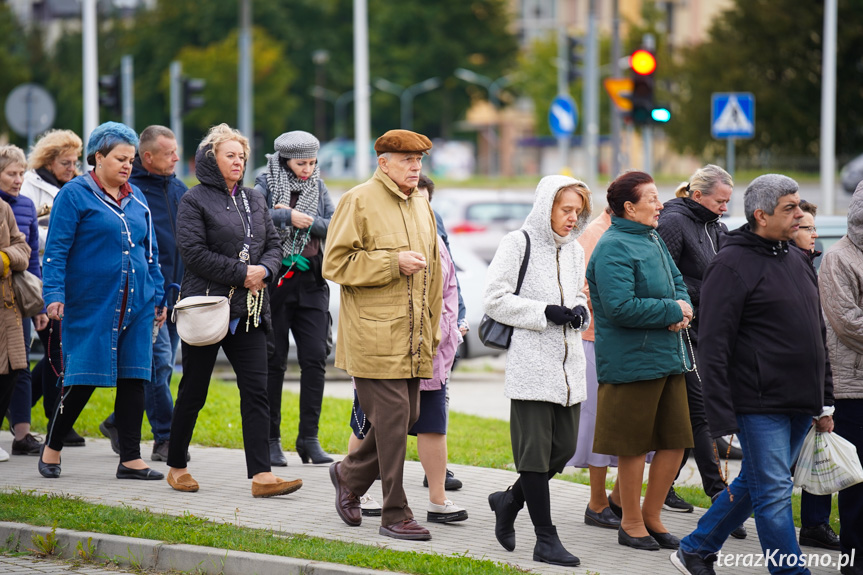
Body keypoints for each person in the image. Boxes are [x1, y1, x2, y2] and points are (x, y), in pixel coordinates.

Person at [673, 174, 834, 575]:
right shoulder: (730, 264)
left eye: (799, 205)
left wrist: (825, 396)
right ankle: (790, 571)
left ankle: (696, 548)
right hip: (757, 401)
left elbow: (816, 332)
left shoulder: (795, 258)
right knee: (775, 491)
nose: (800, 214)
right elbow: (713, 342)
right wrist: (721, 417)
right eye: (790, 208)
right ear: (761, 215)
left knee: (759, 482)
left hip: (801, 397)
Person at [165, 123, 301, 499]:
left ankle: (262, 475)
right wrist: (243, 273)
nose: (238, 161)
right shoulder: (193, 200)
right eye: (230, 155)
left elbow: (274, 244)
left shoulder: (255, 199)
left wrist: (267, 270)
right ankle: (176, 466)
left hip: (250, 312)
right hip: (208, 307)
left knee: (256, 391)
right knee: (193, 392)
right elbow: (193, 254)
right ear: (212, 158)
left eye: (242, 155)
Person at [323, 129, 441, 542]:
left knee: (406, 417)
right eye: (406, 160)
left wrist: (435, 328)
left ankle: (348, 475)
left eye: (419, 161)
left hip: (412, 337)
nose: (415, 167)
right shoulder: (359, 200)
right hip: (373, 338)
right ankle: (395, 512)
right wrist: (392, 263)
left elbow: (435, 276)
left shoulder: (421, 204)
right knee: (392, 421)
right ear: (383, 162)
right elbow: (335, 264)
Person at [38, 122, 165, 481]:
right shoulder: (75, 195)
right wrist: (53, 295)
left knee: (134, 377)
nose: (128, 165)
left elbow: (150, 252)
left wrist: (156, 295)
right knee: (83, 377)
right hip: (93, 302)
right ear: (98, 157)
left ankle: (130, 459)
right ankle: (52, 447)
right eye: (120, 158)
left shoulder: (137, 197)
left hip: (137, 303)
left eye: (131, 159)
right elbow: (56, 251)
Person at [345, 174, 467, 523]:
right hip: (384, 348)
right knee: (374, 423)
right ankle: (373, 498)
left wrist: (446, 330)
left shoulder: (437, 241)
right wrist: (392, 264)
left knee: (425, 421)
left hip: (430, 352)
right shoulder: (364, 208)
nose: (418, 208)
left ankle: (435, 498)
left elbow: (449, 292)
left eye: (425, 203)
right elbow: (339, 266)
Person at [485, 175, 592, 567]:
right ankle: (545, 539)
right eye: (566, 209)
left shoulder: (576, 249)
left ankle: (509, 501)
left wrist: (580, 307)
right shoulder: (518, 243)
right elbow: (494, 299)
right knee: (533, 456)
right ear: (546, 205)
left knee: (561, 452)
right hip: (532, 366)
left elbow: (578, 292)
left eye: (577, 212)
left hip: (569, 370)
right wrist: (542, 312)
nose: (572, 218)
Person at [587, 170, 694, 552]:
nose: (660, 204)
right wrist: (672, 309)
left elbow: (679, 283)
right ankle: (630, 522)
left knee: (675, 442)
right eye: (652, 199)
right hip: (631, 363)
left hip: (668, 358)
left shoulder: (652, 238)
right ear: (629, 208)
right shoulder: (613, 245)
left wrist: (685, 308)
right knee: (633, 448)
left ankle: (651, 515)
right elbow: (619, 307)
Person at [656, 165, 747, 538]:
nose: (725, 207)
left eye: (728, 201)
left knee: (690, 419)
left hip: (709, 331)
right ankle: (718, 495)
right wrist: (702, 295)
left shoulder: (717, 227)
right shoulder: (674, 222)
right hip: (681, 332)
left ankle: (650, 491)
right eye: (720, 200)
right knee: (701, 413)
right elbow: (663, 277)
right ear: (697, 195)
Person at [99, 126, 189, 463]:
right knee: (158, 364)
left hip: (177, 295)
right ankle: (165, 437)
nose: (177, 158)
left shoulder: (179, 189)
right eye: (170, 154)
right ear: (148, 157)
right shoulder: (131, 193)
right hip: (147, 296)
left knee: (159, 369)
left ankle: (118, 423)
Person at [255, 131, 335, 467]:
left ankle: (309, 438)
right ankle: (272, 439)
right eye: (302, 163)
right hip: (276, 281)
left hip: (311, 281)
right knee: (274, 360)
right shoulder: (264, 182)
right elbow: (254, 217)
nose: (308, 168)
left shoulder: (319, 185)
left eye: (313, 162)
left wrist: (307, 221)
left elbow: (334, 224)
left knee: (316, 357)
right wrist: (285, 216)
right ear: (285, 160)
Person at [19, 129, 85, 447]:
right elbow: (28, 232)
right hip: (42, 275)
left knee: (60, 350)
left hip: (71, 276)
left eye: (74, 162)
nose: (71, 168)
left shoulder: (76, 186)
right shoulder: (30, 186)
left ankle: (20, 408)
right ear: (49, 161)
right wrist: (59, 237)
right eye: (65, 163)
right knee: (56, 349)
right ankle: (54, 418)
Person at [564, 204, 621, 530]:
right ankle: (597, 502)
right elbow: (581, 288)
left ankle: (617, 499)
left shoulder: (635, 233)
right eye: (651, 199)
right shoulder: (594, 234)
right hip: (595, 338)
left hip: (620, 341)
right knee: (597, 420)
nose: (658, 206)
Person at [819, 184, 863, 575]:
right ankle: (854, 559)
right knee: (857, 483)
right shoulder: (838, 258)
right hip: (853, 387)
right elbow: (848, 323)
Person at [792, 199, 841, 552]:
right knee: (771, 476)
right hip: (797, 382)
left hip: (818, 377)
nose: (815, 235)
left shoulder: (809, 264)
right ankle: (812, 523)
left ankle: (814, 524)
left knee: (819, 454)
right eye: (808, 228)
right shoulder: (794, 268)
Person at [0, 145, 48, 456]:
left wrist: (38, 303)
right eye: (11, 174)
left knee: (20, 366)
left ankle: (22, 434)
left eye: (21, 174)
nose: (18, 180)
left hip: (17, 298)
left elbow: (28, 254)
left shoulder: (26, 207)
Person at [0, 185, 31, 463]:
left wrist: (6, 257)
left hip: (7, 308)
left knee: (12, 372)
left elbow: (23, 247)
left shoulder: (3, 208)